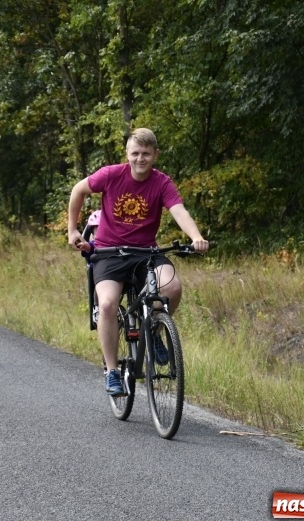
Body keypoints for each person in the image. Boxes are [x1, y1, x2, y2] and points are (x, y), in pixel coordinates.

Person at [67, 128, 209, 397]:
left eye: (146, 154)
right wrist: (73, 230)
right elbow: (78, 190)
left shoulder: (161, 182)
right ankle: (112, 372)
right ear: (127, 154)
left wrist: (196, 236)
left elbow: (179, 210)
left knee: (172, 287)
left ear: (155, 154)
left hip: (145, 252)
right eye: (135, 153)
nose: (140, 159)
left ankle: (153, 328)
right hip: (109, 252)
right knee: (108, 304)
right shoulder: (111, 175)